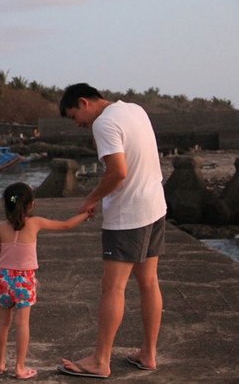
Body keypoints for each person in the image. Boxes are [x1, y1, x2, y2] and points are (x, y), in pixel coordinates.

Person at [56, 83, 167, 378]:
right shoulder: (135, 109)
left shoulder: (104, 122)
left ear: (84, 102)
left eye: (73, 116)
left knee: (113, 288)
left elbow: (118, 171)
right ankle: (149, 354)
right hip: (155, 207)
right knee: (149, 282)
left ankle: (100, 360)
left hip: (129, 215)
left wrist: (91, 198)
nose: (77, 124)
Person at [0, 182, 91, 380]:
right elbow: (66, 224)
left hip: (3, 279)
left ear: (6, 205)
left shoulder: (1, 228)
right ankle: (19, 367)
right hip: (24, 281)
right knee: (23, 324)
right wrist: (86, 214)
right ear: (31, 205)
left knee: (2, 323)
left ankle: (0, 363)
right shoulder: (35, 223)